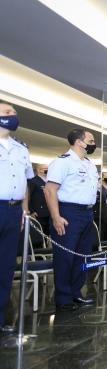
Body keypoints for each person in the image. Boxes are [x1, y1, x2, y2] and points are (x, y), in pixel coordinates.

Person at [46, 128, 98, 310]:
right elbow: (50, 190)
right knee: (65, 257)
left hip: (86, 213)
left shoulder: (90, 164)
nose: (94, 143)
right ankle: (63, 298)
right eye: (91, 140)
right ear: (79, 142)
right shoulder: (62, 162)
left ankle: (76, 293)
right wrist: (56, 216)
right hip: (68, 212)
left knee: (82, 256)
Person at [0, 101, 33, 332]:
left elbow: (25, 184)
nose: (13, 115)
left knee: (6, 267)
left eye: (14, 112)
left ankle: (0, 318)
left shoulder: (21, 148)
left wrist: (23, 210)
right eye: (7, 112)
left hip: (13, 211)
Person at [28, 163, 50, 234]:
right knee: (38, 234)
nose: (47, 170)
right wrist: (31, 211)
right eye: (45, 169)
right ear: (38, 170)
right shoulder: (33, 181)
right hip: (38, 213)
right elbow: (28, 197)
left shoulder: (49, 182)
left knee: (47, 234)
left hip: (48, 213)